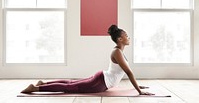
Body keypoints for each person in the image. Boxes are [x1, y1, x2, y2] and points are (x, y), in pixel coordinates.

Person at [21, 25, 154, 95]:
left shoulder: (118, 51)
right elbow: (129, 73)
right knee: (70, 87)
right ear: (120, 39)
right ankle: (35, 88)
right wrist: (139, 91)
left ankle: (43, 83)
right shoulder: (117, 52)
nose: (129, 38)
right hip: (101, 82)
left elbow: (122, 73)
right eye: (127, 36)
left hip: (101, 79)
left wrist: (137, 85)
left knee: (70, 83)